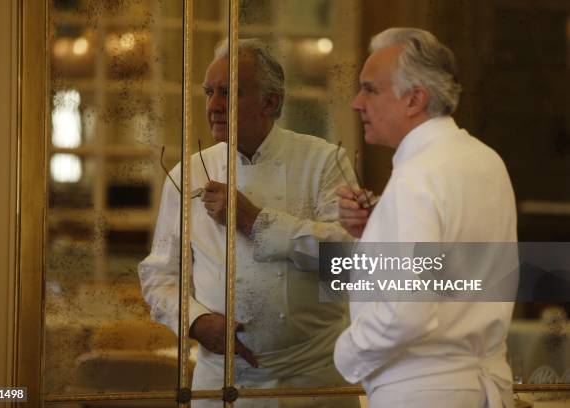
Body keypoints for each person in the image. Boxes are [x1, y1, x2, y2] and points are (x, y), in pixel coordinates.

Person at [139, 38, 360, 407]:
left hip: (313, 383)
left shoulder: (324, 162)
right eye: (209, 92)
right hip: (223, 383)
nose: (213, 107)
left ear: (271, 102)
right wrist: (194, 321)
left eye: (228, 93)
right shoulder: (186, 175)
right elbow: (159, 276)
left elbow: (349, 261)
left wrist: (257, 221)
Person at [333, 28, 517, 407]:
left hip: (421, 391)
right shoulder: (486, 160)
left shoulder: (416, 177)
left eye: (370, 90)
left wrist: (347, 351)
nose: (356, 103)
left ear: (414, 99)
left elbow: (407, 310)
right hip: (484, 386)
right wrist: (377, 230)